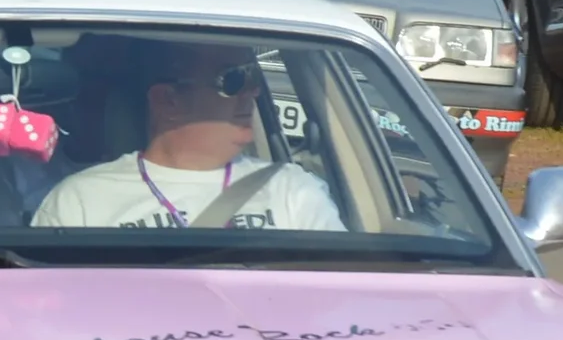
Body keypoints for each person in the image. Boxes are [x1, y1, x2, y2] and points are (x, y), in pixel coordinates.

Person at [33, 40, 342, 231]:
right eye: (232, 80)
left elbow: (337, 303)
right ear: (168, 100)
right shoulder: (80, 201)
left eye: (252, 74)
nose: (253, 90)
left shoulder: (293, 190)